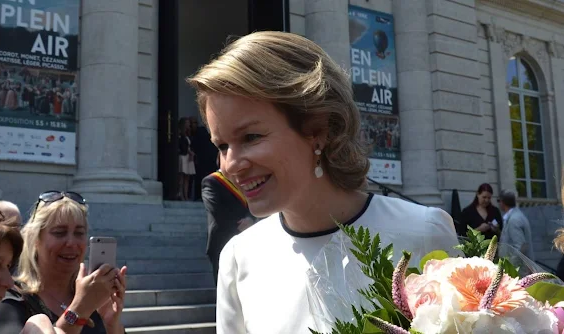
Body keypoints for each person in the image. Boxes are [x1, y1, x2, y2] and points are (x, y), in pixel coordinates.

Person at [187, 31, 459, 333]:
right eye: (222, 146)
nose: (231, 165)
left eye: (251, 137)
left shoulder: (424, 232)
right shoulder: (238, 259)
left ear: (317, 128)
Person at [0, 191, 127, 334]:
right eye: (59, 233)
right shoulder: (11, 297)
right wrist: (79, 309)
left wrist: (111, 324)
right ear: (36, 239)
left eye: (79, 233)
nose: (71, 243)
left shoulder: (93, 298)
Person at [202, 156, 256, 284]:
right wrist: (241, 224)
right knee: (225, 289)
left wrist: (251, 219)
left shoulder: (243, 181)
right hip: (222, 242)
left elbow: (254, 204)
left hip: (245, 241)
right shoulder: (211, 182)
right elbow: (217, 211)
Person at [498, 189, 534, 261]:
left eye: (499, 201)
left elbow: (520, 247)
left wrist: (510, 265)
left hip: (517, 269)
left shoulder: (514, 220)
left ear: (502, 202)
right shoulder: (515, 216)